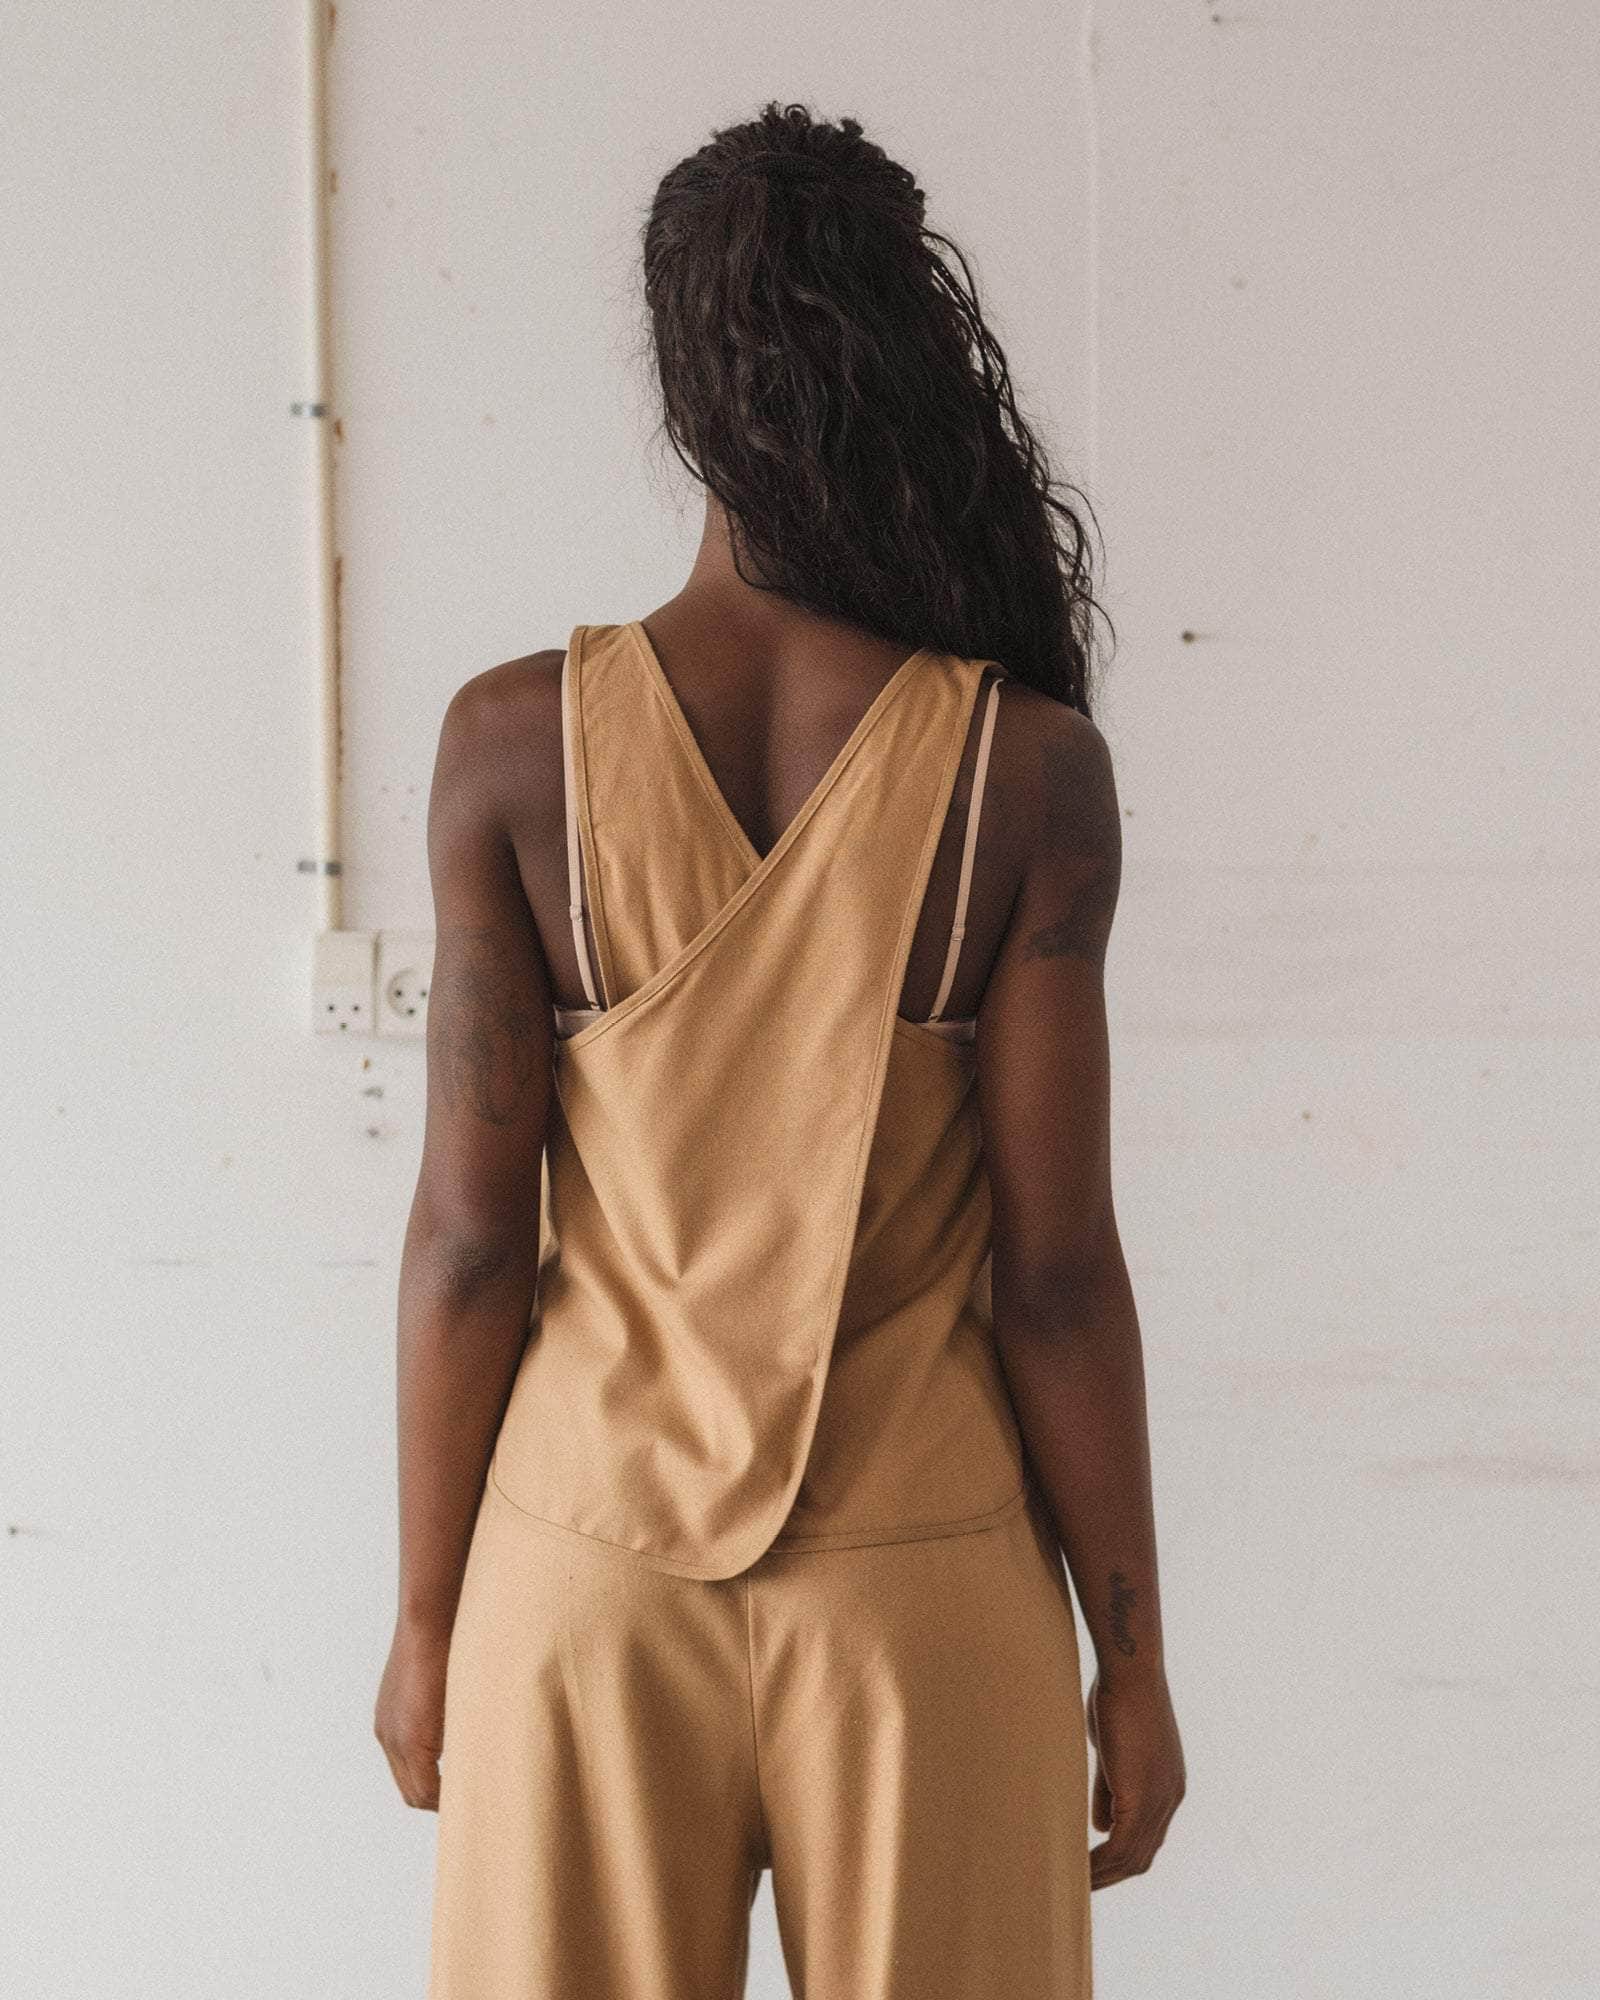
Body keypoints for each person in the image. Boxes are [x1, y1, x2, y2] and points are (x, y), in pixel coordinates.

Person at [375, 98, 1185, 1999]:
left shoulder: (511, 745)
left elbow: (472, 1246)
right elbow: (1058, 1275)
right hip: (920, 1587)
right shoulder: (1023, 773)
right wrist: (1135, 1658)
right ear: (908, 356)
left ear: (678, 384)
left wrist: (426, 1617)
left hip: (584, 1575)